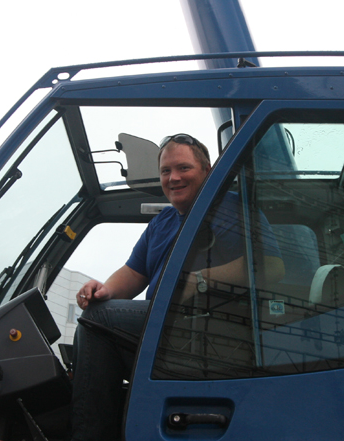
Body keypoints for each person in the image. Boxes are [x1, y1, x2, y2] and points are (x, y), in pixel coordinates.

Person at [70, 134, 284, 441]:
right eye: (166, 171)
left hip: (211, 330)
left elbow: (272, 266)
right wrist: (103, 291)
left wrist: (201, 279)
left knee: (97, 321)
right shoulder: (162, 221)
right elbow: (134, 272)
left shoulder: (233, 209)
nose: (173, 178)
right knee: (97, 313)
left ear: (207, 171)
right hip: (164, 324)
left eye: (184, 168)